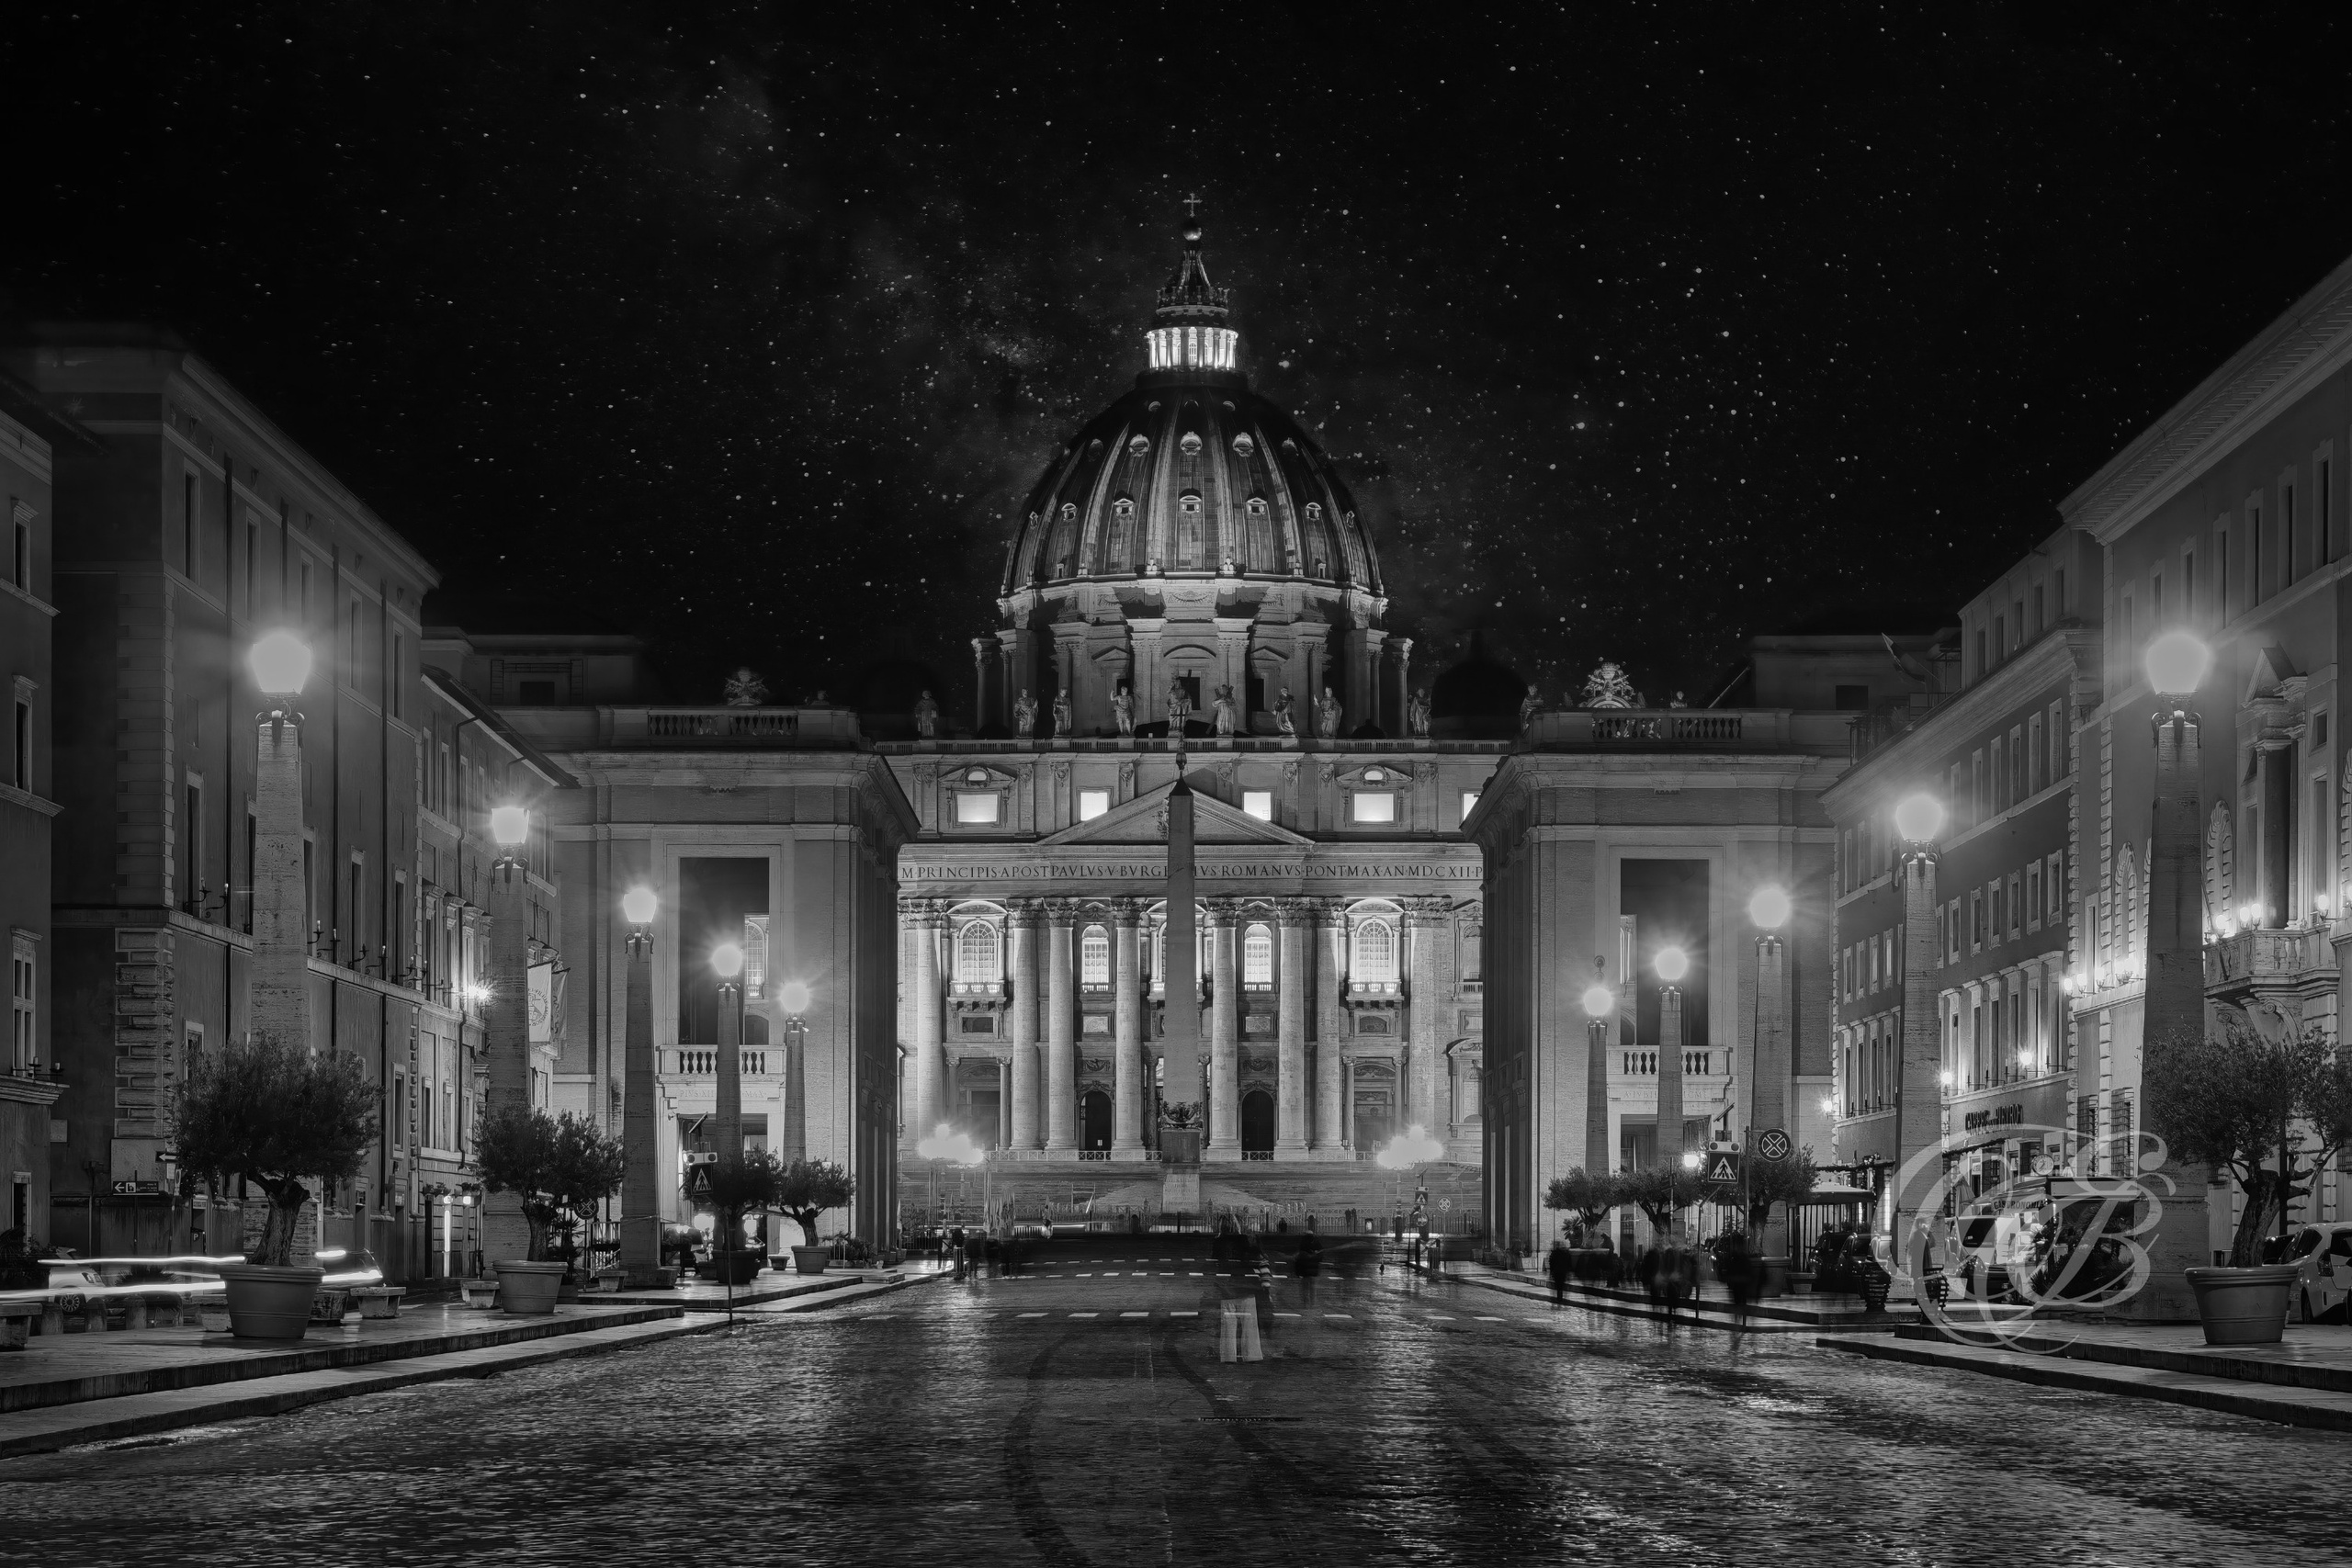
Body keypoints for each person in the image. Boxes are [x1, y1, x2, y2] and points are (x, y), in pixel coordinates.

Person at [1294, 1226, 1323, 1307]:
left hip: (1305, 1271)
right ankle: (1312, 1303)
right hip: (1313, 1271)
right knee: (1313, 1288)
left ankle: (1306, 1303)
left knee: (1305, 1288)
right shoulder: (1317, 1244)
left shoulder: (1303, 1245)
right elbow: (1320, 1256)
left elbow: (1299, 1260)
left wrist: (1298, 1272)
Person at [1546, 1237, 1573, 1307]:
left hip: (1557, 1272)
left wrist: (1551, 1272)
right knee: (1561, 1285)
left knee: (1558, 1286)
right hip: (1563, 1272)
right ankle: (1561, 1298)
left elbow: (1551, 1263)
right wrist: (1569, 1272)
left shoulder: (1555, 1253)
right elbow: (1569, 1263)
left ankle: (1558, 1298)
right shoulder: (1566, 1253)